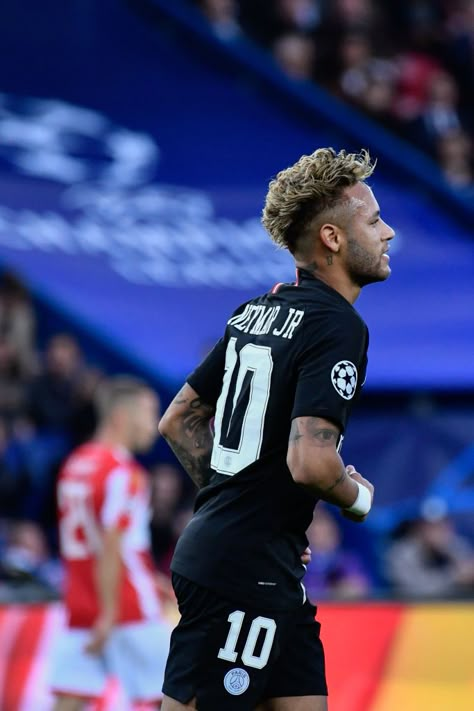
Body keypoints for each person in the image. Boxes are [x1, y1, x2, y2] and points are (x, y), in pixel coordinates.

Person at [158, 147, 395, 710]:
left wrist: (247, 507)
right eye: (373, 219)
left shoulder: (254, 311)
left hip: (264, 564)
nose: (388, 232)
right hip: (243, 573)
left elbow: (179, 420)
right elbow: (310, 463)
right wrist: (357, 497)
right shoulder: (339, 325)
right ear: (333, 239)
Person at [49, 376, 171, 710]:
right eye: (147, 414)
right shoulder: (124, 473)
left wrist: (150, 577)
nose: (153, 425)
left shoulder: (75, 464)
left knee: (69, 698)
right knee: (177, 696)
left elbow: (87, 542)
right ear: (120, 417)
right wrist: (110, 610)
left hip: (81, 602)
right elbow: (111, 544)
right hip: (126, 604)